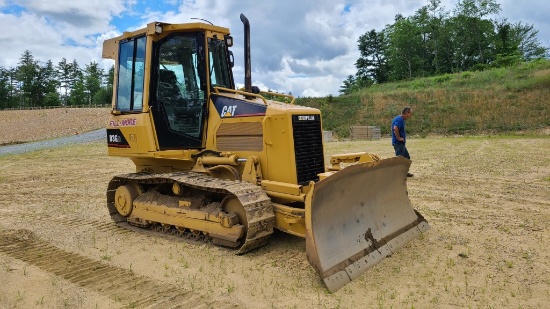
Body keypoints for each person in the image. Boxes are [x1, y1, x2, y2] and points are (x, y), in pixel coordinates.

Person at [391, 107, 414, 177]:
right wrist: (398, 138)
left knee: (406, 157)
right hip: (398, 143)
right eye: (410, 114)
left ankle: (404, 172)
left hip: (400, 144)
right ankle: (399, 174)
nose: (410, 115)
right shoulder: (399, 119)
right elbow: (395, 128)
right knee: (400, 159)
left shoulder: (400, 119)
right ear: (406, 113)